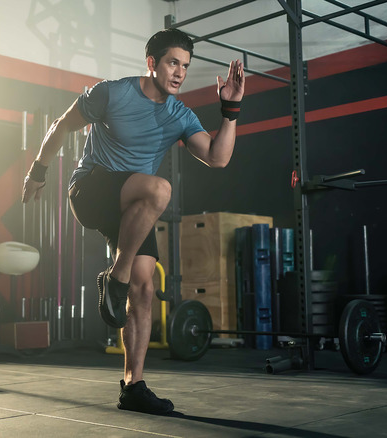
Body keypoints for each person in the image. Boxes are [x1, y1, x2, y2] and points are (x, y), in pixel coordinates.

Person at [22, 28, 244, 415]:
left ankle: (133, 385)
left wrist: (230, 110)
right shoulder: (112, 92)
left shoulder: (179, 114)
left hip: (130, 209)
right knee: (160, 190)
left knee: (145, 286)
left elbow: (218, 157)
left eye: (185, 67)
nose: (179, 73)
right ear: (152, 63)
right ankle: (115, 278)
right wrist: (37, 171)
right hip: (90, 190)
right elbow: (60, 126)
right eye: (173, 62)